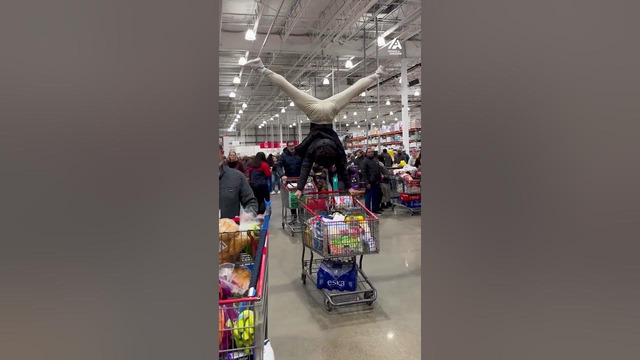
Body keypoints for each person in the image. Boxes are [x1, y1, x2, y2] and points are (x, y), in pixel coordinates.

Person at [244, 58, 386, 198]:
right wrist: (300, 189)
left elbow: (342, 168)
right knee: (289, 89)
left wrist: (349, 187)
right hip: (314, 113)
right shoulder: (312, 149)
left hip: (330, 110)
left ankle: (377, 74)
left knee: (352, 91)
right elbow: (305, 168)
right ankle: (261, 68)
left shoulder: (336, 150)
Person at [219, 145, 258, 218]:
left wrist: (248, 214)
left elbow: (251, 202)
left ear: (222, 153)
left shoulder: (238, 176)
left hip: (230, 227)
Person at [360, 148, 383, 215]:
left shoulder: (375, 160)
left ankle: (374, 209)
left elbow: (378, 170)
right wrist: (367, 183)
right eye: (369, 152)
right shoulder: (364, 161)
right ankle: (368, 211)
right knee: (368, 197)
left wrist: (380, 180)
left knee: (376, 197)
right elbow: (364, 173)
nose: (371, 153)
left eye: (371, 152)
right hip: (369, 182)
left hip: (376, 182)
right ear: (366, 153)